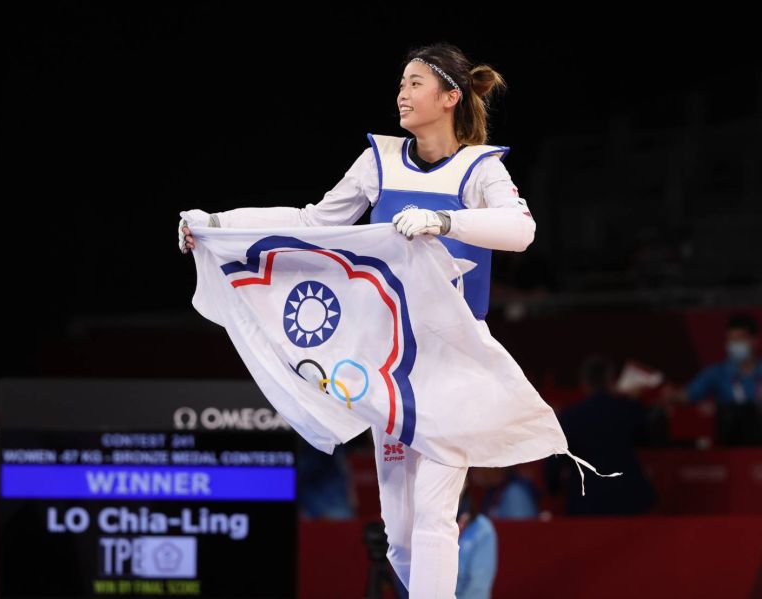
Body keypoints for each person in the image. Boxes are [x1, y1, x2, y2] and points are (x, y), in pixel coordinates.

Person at [180, 42, 537, 596]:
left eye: (416, 82)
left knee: (435, 517)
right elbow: (311, 222)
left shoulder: (479, 169)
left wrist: (446, 220)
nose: (402, 92)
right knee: (399, 536)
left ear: (450, 97)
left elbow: (520, 229)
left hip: (454, 357)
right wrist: (219, 222)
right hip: (389, 360)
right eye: (401, 82)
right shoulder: (377, 161)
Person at [544, 354, 657, 515]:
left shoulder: (570, 417)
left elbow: (553, 465)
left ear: (584, 383)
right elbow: (651, 434)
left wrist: (554, 489)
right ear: (611, 381)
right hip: (629, 502)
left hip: (586, 504)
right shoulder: (629, 410)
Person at [662, 312, 762, 445]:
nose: (734, 345)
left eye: (739, 339)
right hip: (730, 443)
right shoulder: (716, 373)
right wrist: (672, 395)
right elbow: (687, 395)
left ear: (755, 341)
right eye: (731, 340)